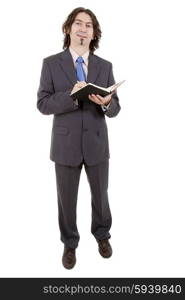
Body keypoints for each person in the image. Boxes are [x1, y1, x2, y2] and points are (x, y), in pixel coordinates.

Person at [37, 7, 121, 269]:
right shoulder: (51, 64)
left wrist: (107, 103)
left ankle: (102, 235)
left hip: (97, 143)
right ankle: (70, 243)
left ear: (93, 33)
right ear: (68, 28)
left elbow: (116, 108)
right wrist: (71, 96)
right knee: (66, 198)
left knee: (100, 195)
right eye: (78, 23)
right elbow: (42, 103)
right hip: (65, 145)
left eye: (89, 25)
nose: (83, 28)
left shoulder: (105, 66)